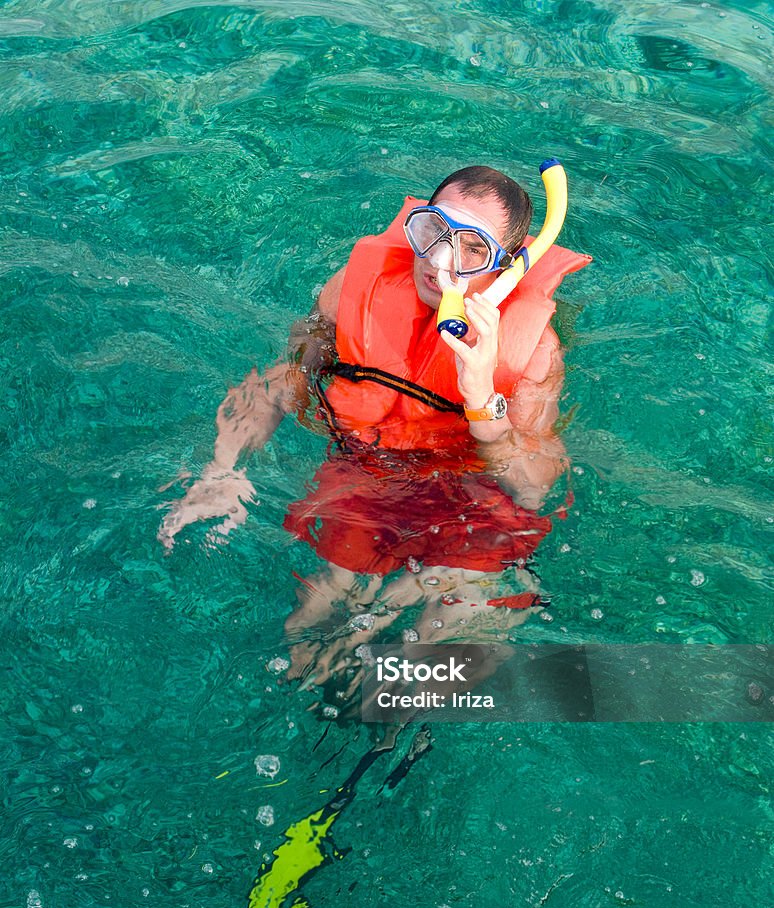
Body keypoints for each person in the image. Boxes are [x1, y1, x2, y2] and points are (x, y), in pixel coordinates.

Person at [158, 166, 590, 691]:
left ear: (507, 268)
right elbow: (284, 379)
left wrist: (481, 399)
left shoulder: (536, 353)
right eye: (432, 231)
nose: (439, 260)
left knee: (432, 652)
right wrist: (221, 470)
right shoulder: (351, 290)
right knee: (310, 626)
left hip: (474, 499)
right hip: (367, 474)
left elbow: (533, 484)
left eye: (472, 249)